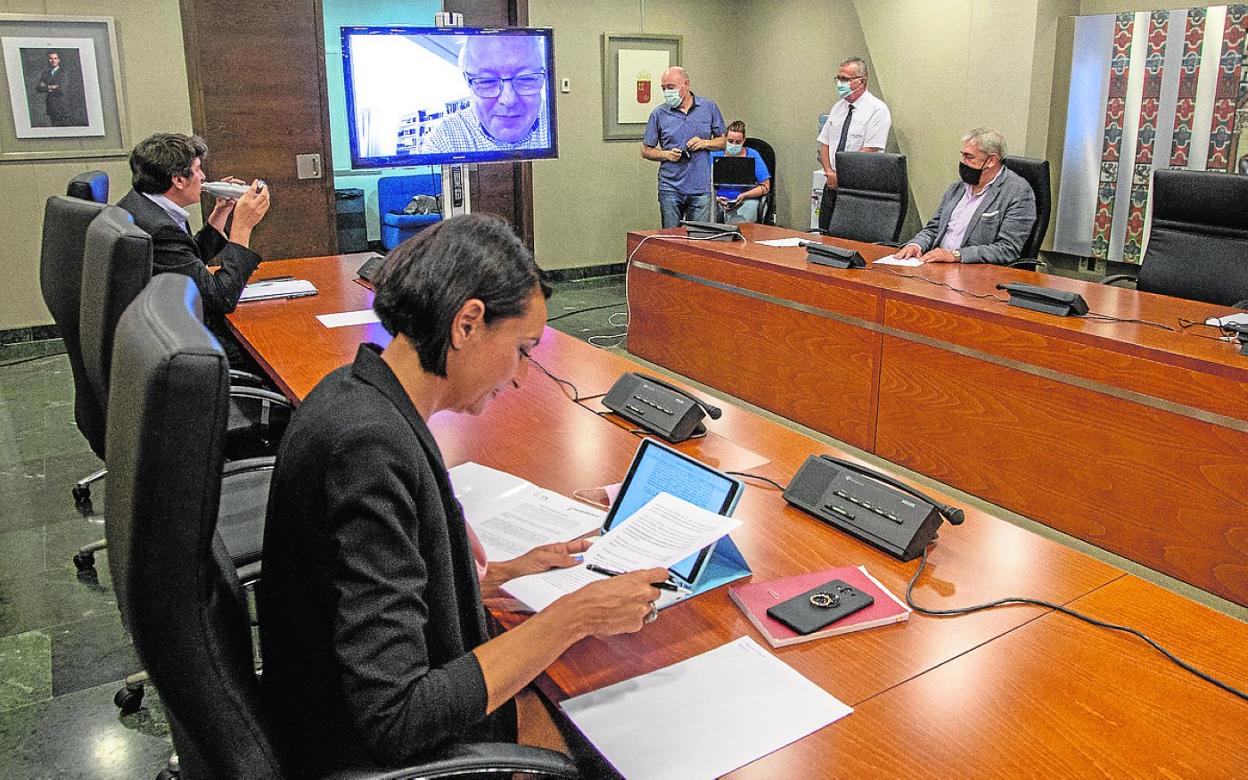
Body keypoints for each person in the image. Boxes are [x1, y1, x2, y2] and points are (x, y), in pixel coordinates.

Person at [258, 214, 667, 774]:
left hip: (322, 709)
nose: (523, 376)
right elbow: (394, 716)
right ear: (467, 323)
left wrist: (487, 577)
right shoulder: (369, 449)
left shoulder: (356, 394)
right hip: (362, 754)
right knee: (621, 741)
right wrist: (575, 615)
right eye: (524, 348)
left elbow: (364, 590)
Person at [117, 133, 270, 366]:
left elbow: (185, 260)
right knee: (269, 347)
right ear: (178, 179)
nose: (203, 177)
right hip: (184, 344)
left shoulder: (146, 206)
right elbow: (221, 298)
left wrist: (220, 214)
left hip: (162, 325)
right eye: (198, 170)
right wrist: (242, 227)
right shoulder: (159, 229)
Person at [894, 128, 1037, 265]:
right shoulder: (958, 187)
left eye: (969, 157)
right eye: (962, 155)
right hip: (936, 266)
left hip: (975, 274)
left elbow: (1008, 249)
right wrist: (916, 245)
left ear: (992, 160)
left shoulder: (1018, 192)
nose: (963, 162)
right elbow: (934, 228)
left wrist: (956, 255)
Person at [420, 35, 552, 154]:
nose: (509, 100)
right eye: (487, 81)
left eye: (526, 79)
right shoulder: (444, 139)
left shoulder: (564, 126)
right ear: (468, 82)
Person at [641, 66, 726, 227]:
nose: (667, 92)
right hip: (670, 187)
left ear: (686, 85)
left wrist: (705, 143)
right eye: (663, 88)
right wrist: (666, 154)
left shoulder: (709, 107)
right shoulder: (658, 114)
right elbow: (645, 150)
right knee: (671, 240)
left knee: (698, 240)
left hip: (700, 187)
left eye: (671, 87)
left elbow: (723, 141)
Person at [816, 57, 891, 233]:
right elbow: (825, 143)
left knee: (848, 239)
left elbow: (869, 151)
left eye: (845, 79)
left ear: (861, 82)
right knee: (825, 235)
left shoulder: (877, 110)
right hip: (832, 184)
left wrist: (841, 175)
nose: (840, 83)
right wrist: (829, 172)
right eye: (838, 78)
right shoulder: (838, 107)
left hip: (858, 186)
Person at [710, 120, 771, 224]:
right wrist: (715, 198)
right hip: (717, 200)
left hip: (746, 200)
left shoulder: (753, 154)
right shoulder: (714, 155)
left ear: (743, 141)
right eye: (730, 141)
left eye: (738, 142)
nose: (733, 145)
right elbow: (701, 184)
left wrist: (744, 196)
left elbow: (765, 187)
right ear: (725, 139)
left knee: (748, 210)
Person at [35, 51, 73, 126]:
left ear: (59, 60)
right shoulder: (46, 73)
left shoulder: (64, 73)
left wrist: (46, 87)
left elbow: (61, 88)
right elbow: (39, 88)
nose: (53, 61)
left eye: (55, 58)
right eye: (51, 58)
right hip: (51, 105)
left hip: (62, 105)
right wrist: (52, 87)